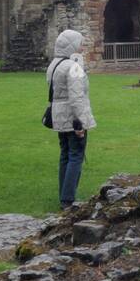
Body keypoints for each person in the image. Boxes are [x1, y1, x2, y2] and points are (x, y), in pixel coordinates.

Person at [46, 29, 96, 209]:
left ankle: (64, 195)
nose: (82, 47)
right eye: (80, 44)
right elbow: (76, 98)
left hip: (59, 116)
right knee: (76, 156)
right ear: (72, 45)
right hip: (72, 116)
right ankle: (67, 200)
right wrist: (79, 122)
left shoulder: (54, 65)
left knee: (65, 154)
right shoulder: (73, 67)